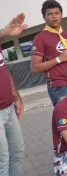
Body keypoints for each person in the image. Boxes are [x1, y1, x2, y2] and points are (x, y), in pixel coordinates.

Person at [0, 13, 26, 176]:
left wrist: (16, 96)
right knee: (2, 160)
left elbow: (4, 70)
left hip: (9, 108)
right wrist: (4, 32)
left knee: (18, 153)